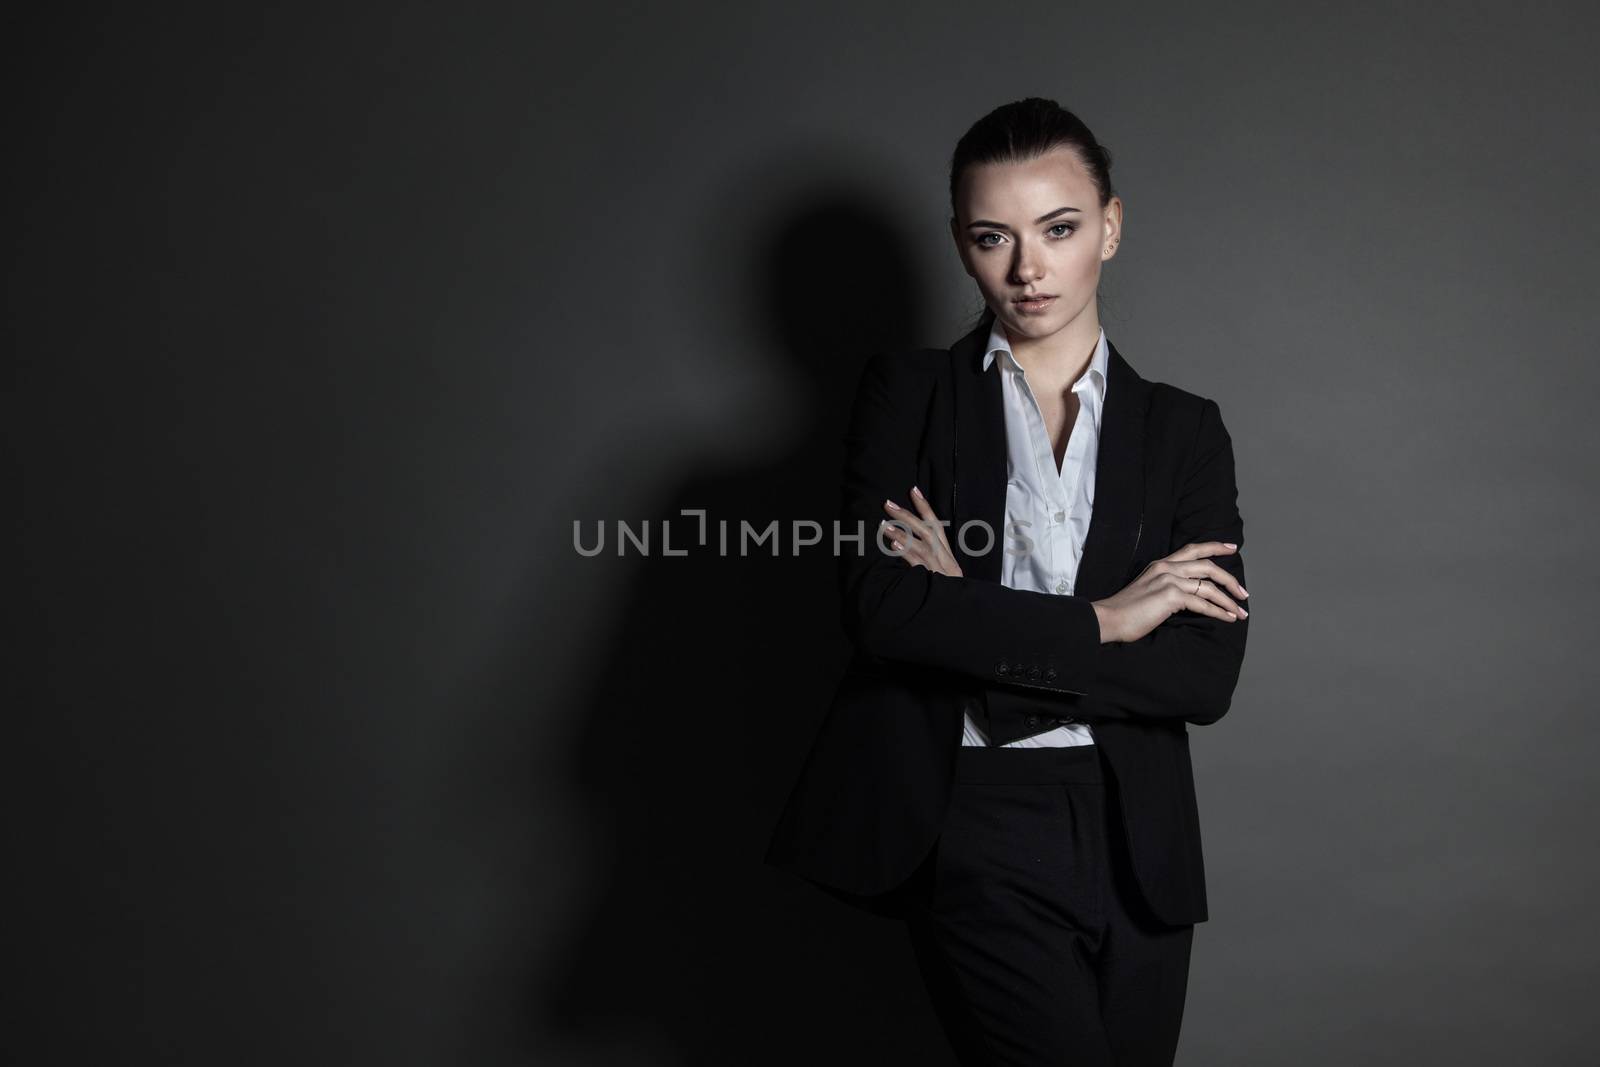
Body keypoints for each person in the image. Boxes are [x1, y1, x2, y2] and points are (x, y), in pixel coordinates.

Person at [765, 97, 1251, 1066]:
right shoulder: (908, 396)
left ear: (1108, 226)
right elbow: (884, 609)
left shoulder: (1184, 430)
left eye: (1058, 229)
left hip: (1135, 835)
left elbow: (1202, 676)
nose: (1026, 270)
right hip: (971, 813)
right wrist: (1108, 620)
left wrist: (974, 630)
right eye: (993, 237)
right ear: (959, 242)